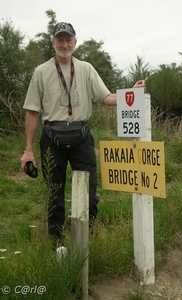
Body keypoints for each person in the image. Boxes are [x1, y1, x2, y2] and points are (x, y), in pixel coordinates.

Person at [20, 22, 145, 247]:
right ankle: (56, 243)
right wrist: (28, 150)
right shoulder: (41, 71)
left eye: (69, 40)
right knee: (54, 194)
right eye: (60, 40)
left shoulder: (86, 68)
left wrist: (131, 92)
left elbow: (106, 98)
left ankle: (90, 240)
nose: (64, 44)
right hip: (51, 138)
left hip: (81, 137)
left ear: (75, 42)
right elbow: (32, 111)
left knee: (89, 194)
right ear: (53, 43)